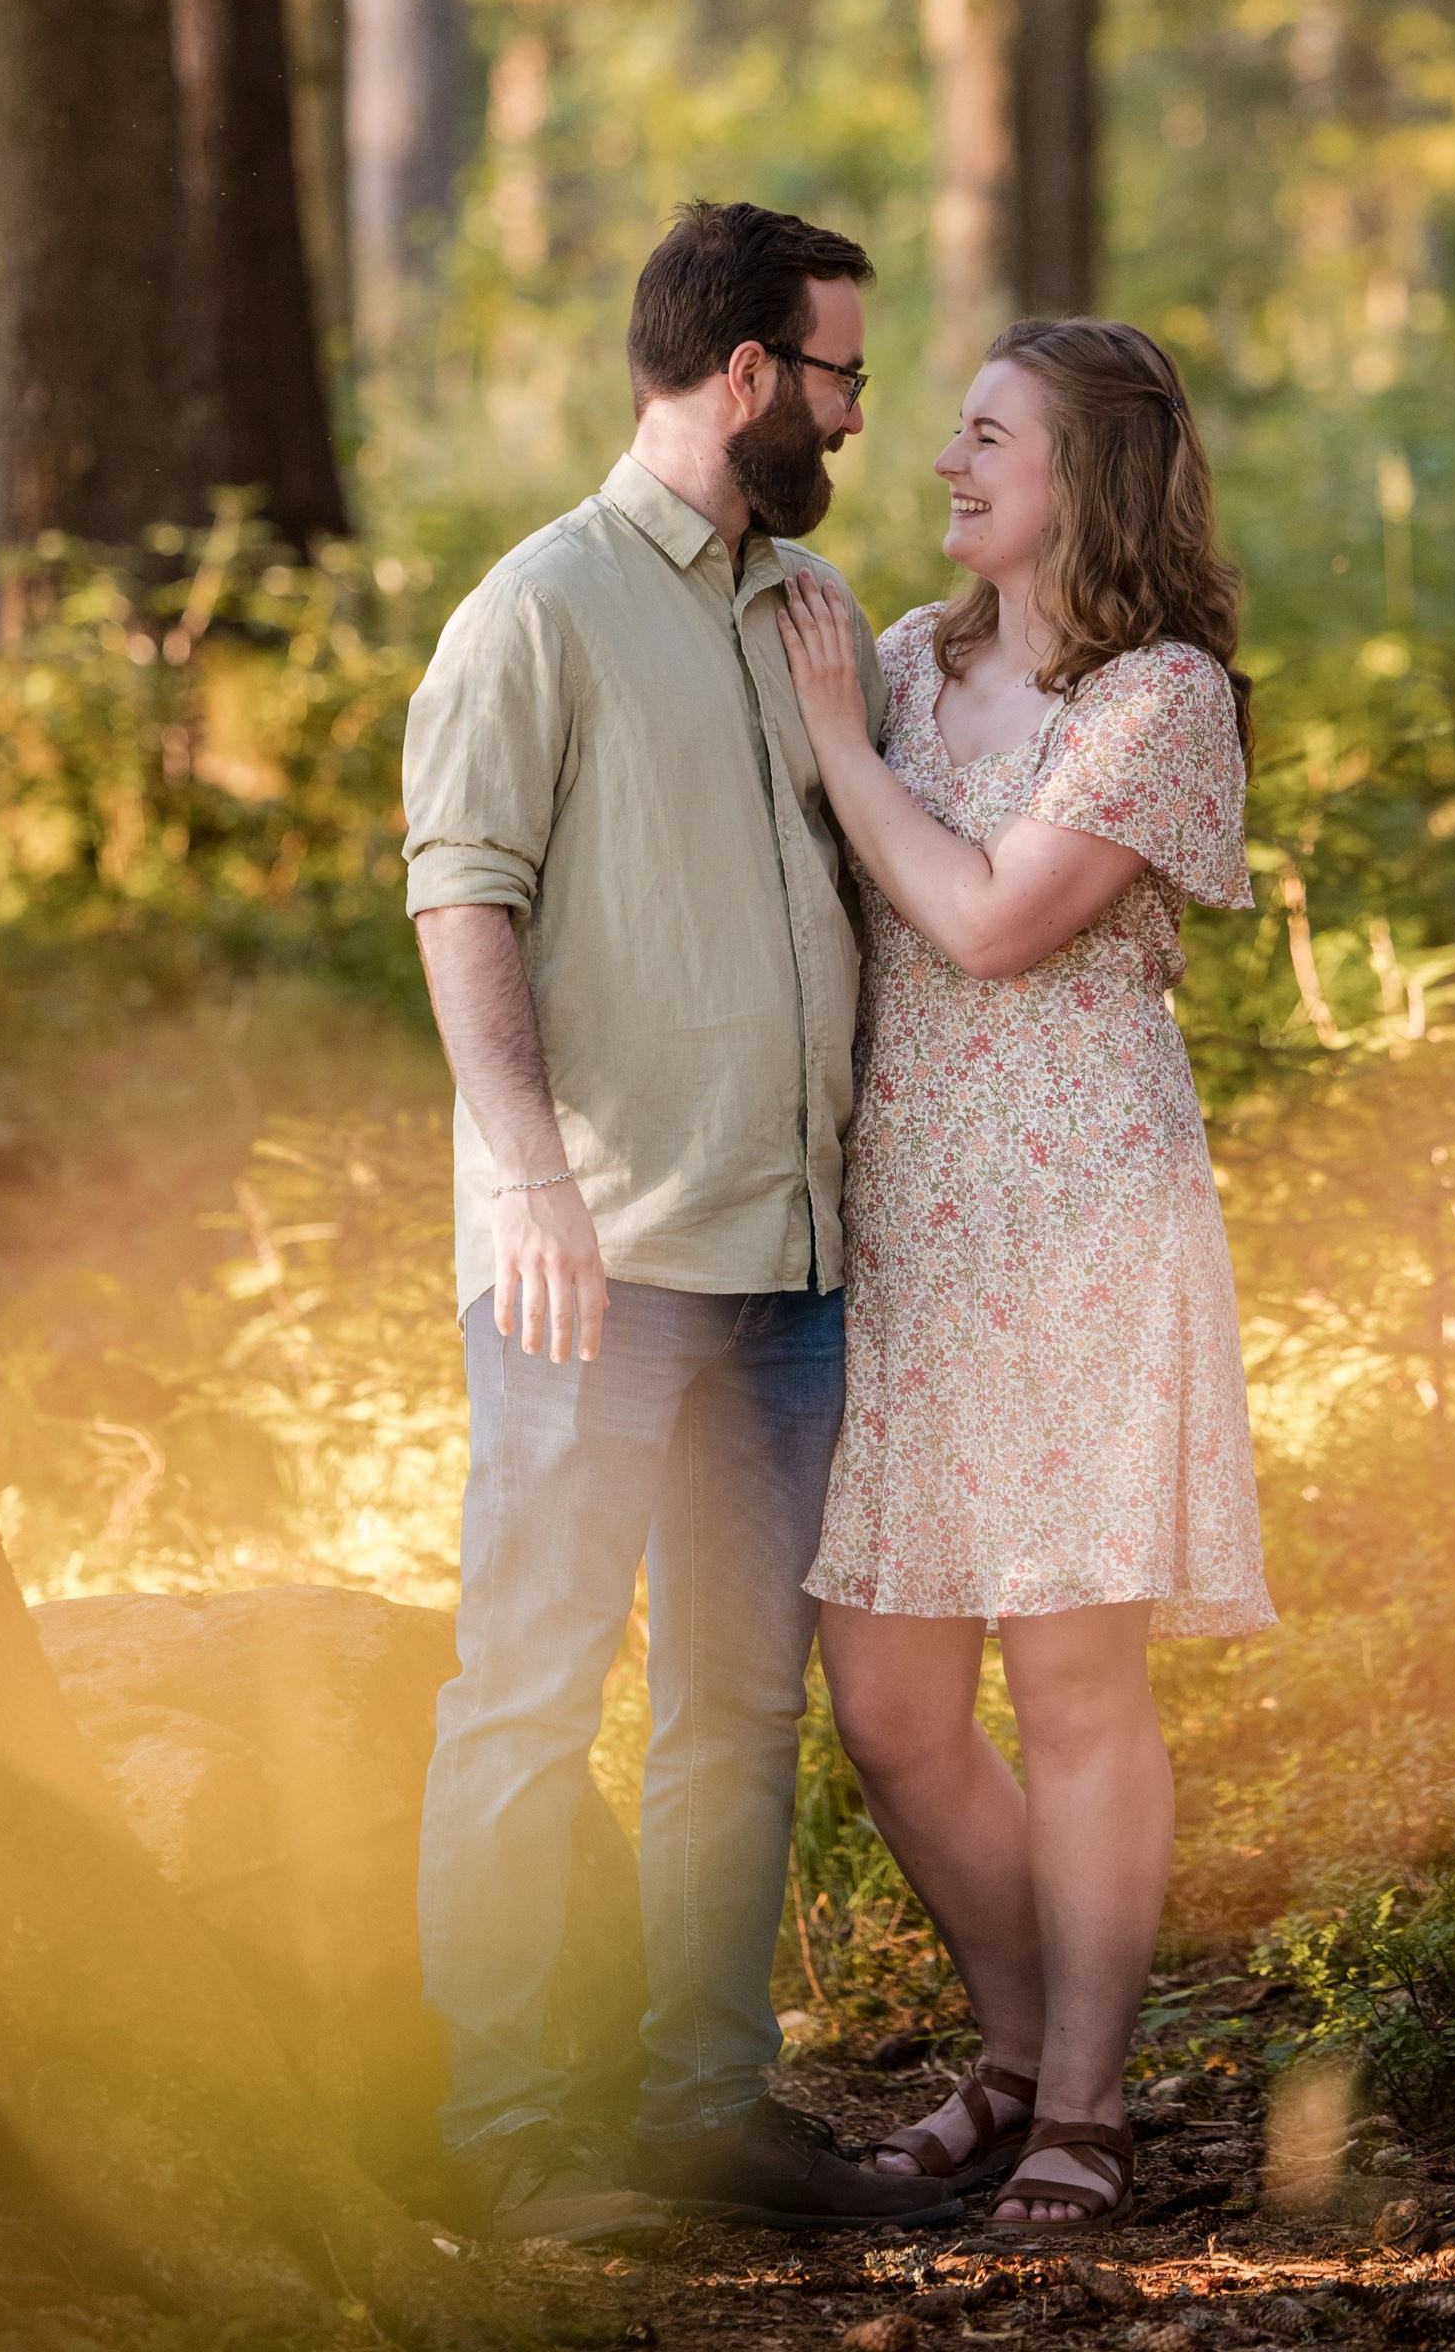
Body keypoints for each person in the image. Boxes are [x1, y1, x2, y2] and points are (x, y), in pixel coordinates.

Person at [401, 202, 953, 2243]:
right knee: (534, 1686)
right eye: (841, 374)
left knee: (738, 1705)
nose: (856, 411)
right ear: (747, 381)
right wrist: (533, 1183)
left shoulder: (812, 600)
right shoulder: (532, 611)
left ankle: (705, 2112)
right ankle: (514, 2132)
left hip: (788, 1273)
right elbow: (463, 895)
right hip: (596, 1263)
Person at [777, 316, 1275, 2234]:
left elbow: (986, 923)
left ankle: (1084, 2106)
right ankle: (1008, 2054)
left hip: (1081, 1218)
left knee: (1073, 1683)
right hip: (906, 1222)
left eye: (990, 438)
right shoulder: (905, 657)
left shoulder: (1162, 699)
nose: (946, 465)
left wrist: (836, 750)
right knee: (892, 1704)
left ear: (1092, 473)